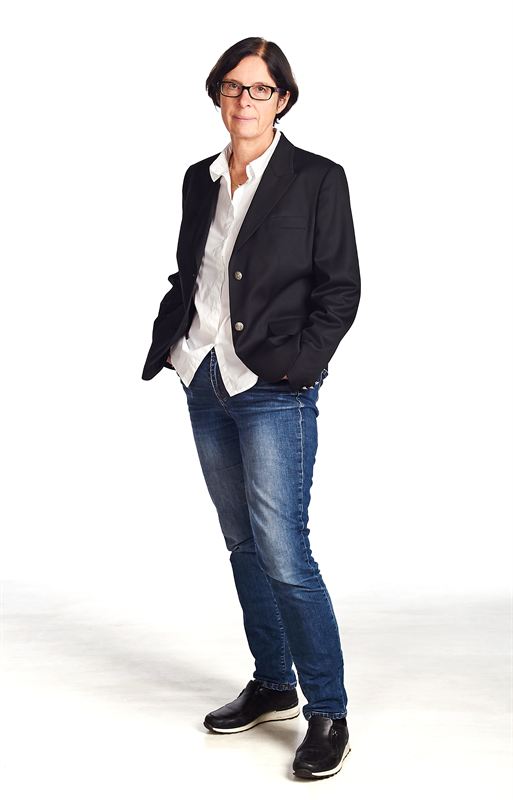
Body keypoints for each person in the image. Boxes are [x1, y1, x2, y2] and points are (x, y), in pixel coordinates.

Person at [141, 36, 361, 780]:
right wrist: (177, 343)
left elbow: (340, 289)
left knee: (284, 550)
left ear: (282, 100)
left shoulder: (317, 179)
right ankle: (273, 684)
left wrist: (299, 368)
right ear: (218, 96)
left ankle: (328, 710)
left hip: (272, 385)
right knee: (241, 543)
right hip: (203, 375)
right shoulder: (198, 178)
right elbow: (192, 271)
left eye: (259, 89)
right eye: (232, 87)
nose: (244, 100)